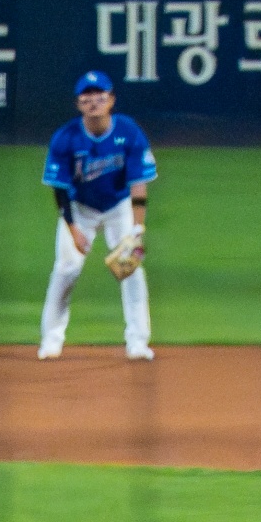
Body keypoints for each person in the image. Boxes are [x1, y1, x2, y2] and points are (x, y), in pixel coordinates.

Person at [37, 72, 156, 361]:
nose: (93, 101)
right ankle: (51, 340)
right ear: (78, 103)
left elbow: (138, 184)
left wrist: (137, 229)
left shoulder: (128, 131)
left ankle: (138, 343)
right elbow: (60, 190)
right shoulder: (66, 138)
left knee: (131, 269)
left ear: (111, 100)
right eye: (86, 96)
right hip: (80, 209)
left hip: (119, 207)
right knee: (67, 268)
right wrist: (73, 229)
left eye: (100, 95)